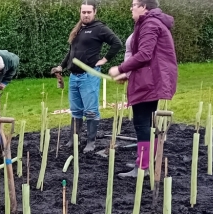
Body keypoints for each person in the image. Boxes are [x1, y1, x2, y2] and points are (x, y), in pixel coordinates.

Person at [109, 0, 177, 178]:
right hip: (149, 78)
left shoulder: (150, 23)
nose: (131, 8)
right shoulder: (151, 22)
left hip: (149, 81)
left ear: (144, 7)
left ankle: (143, 166)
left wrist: (121, 68)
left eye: (134, 4)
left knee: (142, 123)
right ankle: (146, 160)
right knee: (147, 123)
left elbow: (145, 54)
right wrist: (127, 73)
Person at [52, 0, 122, 153]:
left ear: (94, 12)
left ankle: (91, 142)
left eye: (89, 12)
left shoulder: (100, 29)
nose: (86, 15)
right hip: (74, 76)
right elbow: (71, 52)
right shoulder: (78, 29)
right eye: (83, 12)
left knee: (90, 110)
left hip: (89, 76)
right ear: (80, 12)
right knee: (76, 110)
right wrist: (61, 66)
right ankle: (73, 139)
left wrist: (104, 60)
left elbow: (117, 43)